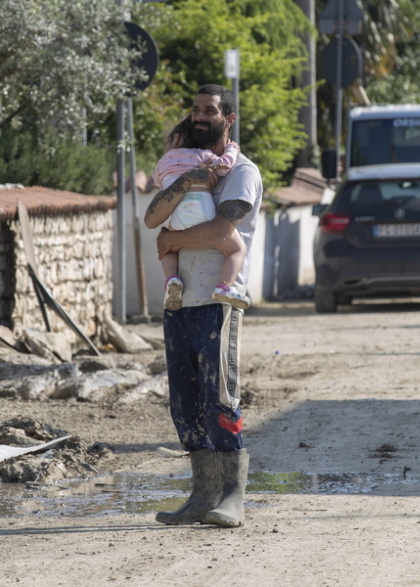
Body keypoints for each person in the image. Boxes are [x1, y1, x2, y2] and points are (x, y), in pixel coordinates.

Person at [143, 83, 263, 527]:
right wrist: (185, 181)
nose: (199, 116)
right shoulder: (184, 166)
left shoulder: (241, 172)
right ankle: (201, 493)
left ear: (228, 119)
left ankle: (232, 496)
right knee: (185, 400)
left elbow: (219, 232)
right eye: (195, 109)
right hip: (179, 298)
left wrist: (173, 241)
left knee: (220, 396)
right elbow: (152, 217)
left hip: (218, 298)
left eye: (209, 110)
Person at [152, 123, 250, 311]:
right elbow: (224, 166)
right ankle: (225, 286)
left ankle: (172, 280)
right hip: (202, 212)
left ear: (175, 139)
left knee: (168, 250)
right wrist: (232, 148)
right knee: (236, 250)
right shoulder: (202, 156)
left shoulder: (161, 163)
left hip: (177, 218)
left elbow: (159, 183)